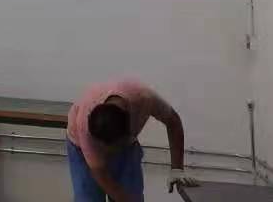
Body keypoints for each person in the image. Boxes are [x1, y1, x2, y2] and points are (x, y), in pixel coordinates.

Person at [66, 77, 198, 201]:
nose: (109, 153)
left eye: (114, 147)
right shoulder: (85, 125)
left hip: (126, 146)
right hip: (81, 146)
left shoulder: (144, 98)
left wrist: (177, 169)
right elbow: (101, 174)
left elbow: (173, 121)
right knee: (88, 198)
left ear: (128, 128)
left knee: (131, 193)